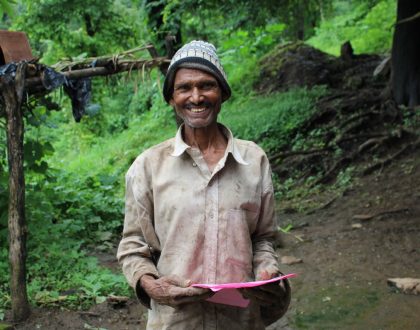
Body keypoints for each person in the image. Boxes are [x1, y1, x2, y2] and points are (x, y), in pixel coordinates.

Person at [117, 40, 291, 329]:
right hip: (176, 321)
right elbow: (133, 246)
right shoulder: (148, 166)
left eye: (206, 85)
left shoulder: (254, 160)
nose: (196, 97)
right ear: (171, 98)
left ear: (222, 93)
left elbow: (264, 238)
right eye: (184, 88)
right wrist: (151, 285)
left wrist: (266, 269)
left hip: (240, 319)